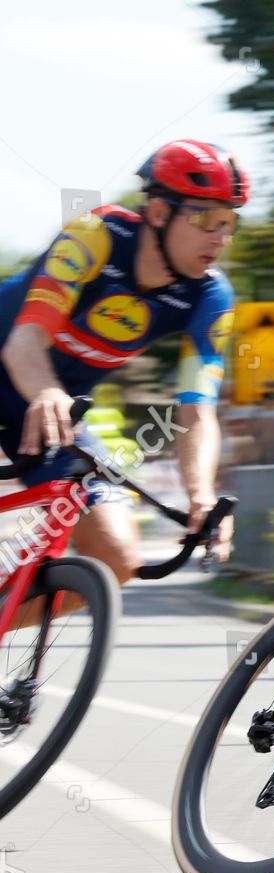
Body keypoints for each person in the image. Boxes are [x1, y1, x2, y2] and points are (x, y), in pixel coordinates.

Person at [0, 139, 244, 580]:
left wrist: (201, 496)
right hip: (34, 382)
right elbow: (23, 342)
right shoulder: (95, 237)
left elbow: (196, 408)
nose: (220, 237)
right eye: (206, 217)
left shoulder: (210, 295)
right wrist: (48, 392)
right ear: (157, 213)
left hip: (52, 410)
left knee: (117, 559)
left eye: (229, 221)